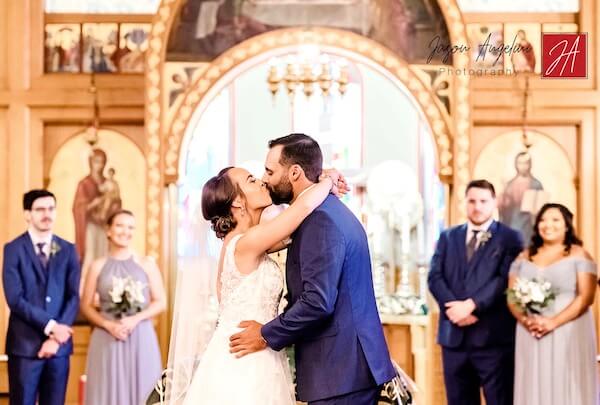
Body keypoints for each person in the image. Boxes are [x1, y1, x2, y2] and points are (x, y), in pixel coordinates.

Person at [229, 133, 396, 404]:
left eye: (270, 171)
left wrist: (265, 334)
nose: (265, 178)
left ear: (294, 172)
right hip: (344, 369)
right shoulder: (325, 211)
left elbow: (317, 302)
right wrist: (326, 179)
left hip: (340, 371)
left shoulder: (319, 221)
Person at [181, 159, 342, 404]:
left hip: (256, 351)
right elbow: (303, 208)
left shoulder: (246, 242)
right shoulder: (245, 243)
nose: (261, 181)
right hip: (244, 361)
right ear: (237, 200)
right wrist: (327, 180)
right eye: (251, 180)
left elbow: (291, 232)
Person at [428, 179, 523, 405]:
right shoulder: (448, 237)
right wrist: (455, 309)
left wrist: (472, 305)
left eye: (483, 201)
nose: (477, 206)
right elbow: (434, 277)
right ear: (465, 203)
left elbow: (504, 279)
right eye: (472, 201)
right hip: (453, 337)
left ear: (494, 202)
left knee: (499, 400)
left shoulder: (510, 238)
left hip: (493, 338)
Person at [507, 203, 597, 405]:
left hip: (568, 329)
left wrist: (553, 322)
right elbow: (512, 295)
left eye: (555, 220)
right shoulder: (523, 257)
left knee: (565, 380)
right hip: (530, 331)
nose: (548, 225)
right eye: (543, 220)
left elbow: (586, 297)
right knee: (531, 380)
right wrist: (526, 320)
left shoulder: (579, 255)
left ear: (567, 225)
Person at [2, 189, 81, 405]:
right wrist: (51, 327)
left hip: (59, 349)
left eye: (51, 209)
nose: (47, 214)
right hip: (25, 347)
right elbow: (15, 299)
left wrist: (56, 338)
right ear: (27, 214)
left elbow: (73, 296)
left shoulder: (68, 249)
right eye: (40, 209)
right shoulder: (13, 249)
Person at [81, 209, 165, 405]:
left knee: (143, 391)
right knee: (105, 391)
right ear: (108, 230)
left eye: (130, 227)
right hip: (106, 337)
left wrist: (135, 319)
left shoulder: (146, 264)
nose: (125, 231)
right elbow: (85, 305)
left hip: (140, 336)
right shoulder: (97, 266)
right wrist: (108, 325)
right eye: (120, 225)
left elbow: (161, 301)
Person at [498, 152, 544, 243]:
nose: (523, 166)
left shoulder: (536, 184)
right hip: (512, 220)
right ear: (516, 164)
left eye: (525, 163)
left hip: (529, 222)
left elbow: (541, 206)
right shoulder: (510, 184)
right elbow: (504, 207)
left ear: (530, 164)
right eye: (520, 163)